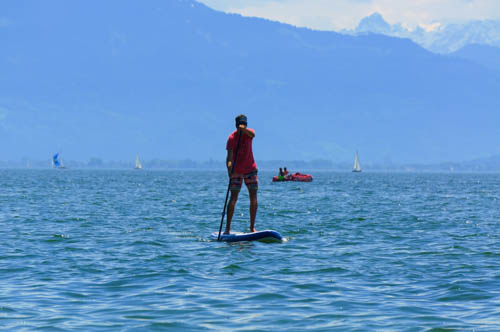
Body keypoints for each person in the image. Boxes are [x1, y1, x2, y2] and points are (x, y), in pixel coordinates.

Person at [225, 114, 258, 234]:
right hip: (237, 171)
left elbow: (253, 135)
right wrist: (229, 170)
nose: (241, 127)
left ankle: (252, 227)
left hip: (250, 169)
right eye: (239, 125)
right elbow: (229, 158)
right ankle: (227, 229)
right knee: (233, 198)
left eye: (243, 125)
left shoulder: (249, 133)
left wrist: (243, 130)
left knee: (253, 196)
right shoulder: (232, 138)